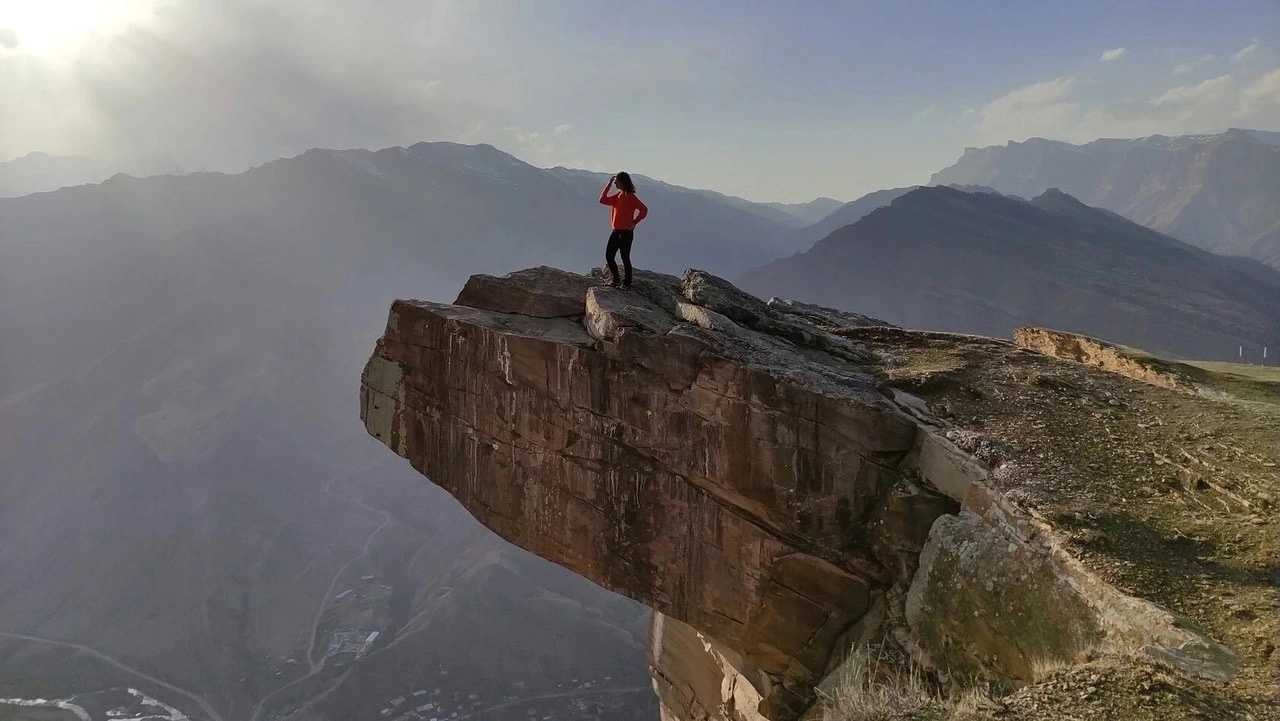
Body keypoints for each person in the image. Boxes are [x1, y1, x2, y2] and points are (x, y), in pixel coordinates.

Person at [598, 171, 648, 290]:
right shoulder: (617, 196)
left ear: (623, 182)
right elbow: (602, 200)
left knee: (625, 257)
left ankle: (626, 284)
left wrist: (635, 222)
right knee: (609, 256)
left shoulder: (631, 197)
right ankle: (616, 280)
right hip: (616, 232)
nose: (615, 183)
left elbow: (644, 210)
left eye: (617, 182)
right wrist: (609, 184)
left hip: (626, 232)